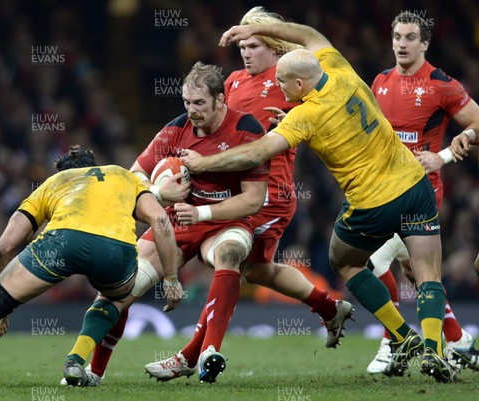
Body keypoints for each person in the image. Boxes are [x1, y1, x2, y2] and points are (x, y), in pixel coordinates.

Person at [183, 19, 456, 383]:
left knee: (345, 262)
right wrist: (261, 26)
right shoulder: (340, 69)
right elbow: (308, 36)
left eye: (281, 82)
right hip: (415, 186)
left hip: (372, 203)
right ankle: (435, 350)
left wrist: (202, 163)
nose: (277, 88)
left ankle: (404, 336)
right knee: (427, 276)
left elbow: (256, 153)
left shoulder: (306, 116)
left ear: (298, 84)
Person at [144, 6, 354, 384]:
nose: (246, 52)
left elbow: (326, 116)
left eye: (254, 44)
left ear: (275, 45)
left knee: (232, 263)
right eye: (242, 45)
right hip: (227, 189)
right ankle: (329, 308)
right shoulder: (236, 81)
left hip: (268, 192)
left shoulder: (291, 77)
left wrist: (289, 121)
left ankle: (193, 353)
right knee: (257, 270)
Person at [0, 145, 184, 389]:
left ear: (61, 171)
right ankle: (75, 362)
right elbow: (159, 221)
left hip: (60, 242)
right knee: (116, 297)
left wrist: (1, 299)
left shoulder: (52, 184)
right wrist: (170, 278)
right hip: (114, 250)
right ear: (94, 165)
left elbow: (5, 245)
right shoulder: (122, 175)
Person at [66, 61, 270, 386]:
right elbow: (134, 176)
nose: (191, 111)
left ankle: (209, 352)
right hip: (175, 222)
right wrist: (161, 192)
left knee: (229, 254)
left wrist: (203, 214)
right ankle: (94, 371)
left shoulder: (248, 130)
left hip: (226, 220)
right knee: (121, 286)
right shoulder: (176, 129)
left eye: (199, 103)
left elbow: (253, 199)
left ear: (221, 100)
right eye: (187, 102)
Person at [365, 10, 479, 374]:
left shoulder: (441, 84)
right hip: (381, 193)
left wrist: (445, 154)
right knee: (416, 276)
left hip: (420, 196)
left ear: (425, 43)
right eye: (397, 36)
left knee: (370, 264)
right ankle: (460, 342)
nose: (402, 43)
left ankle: (393, 341)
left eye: (410, 37)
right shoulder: (379, 82)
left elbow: (478, 122)